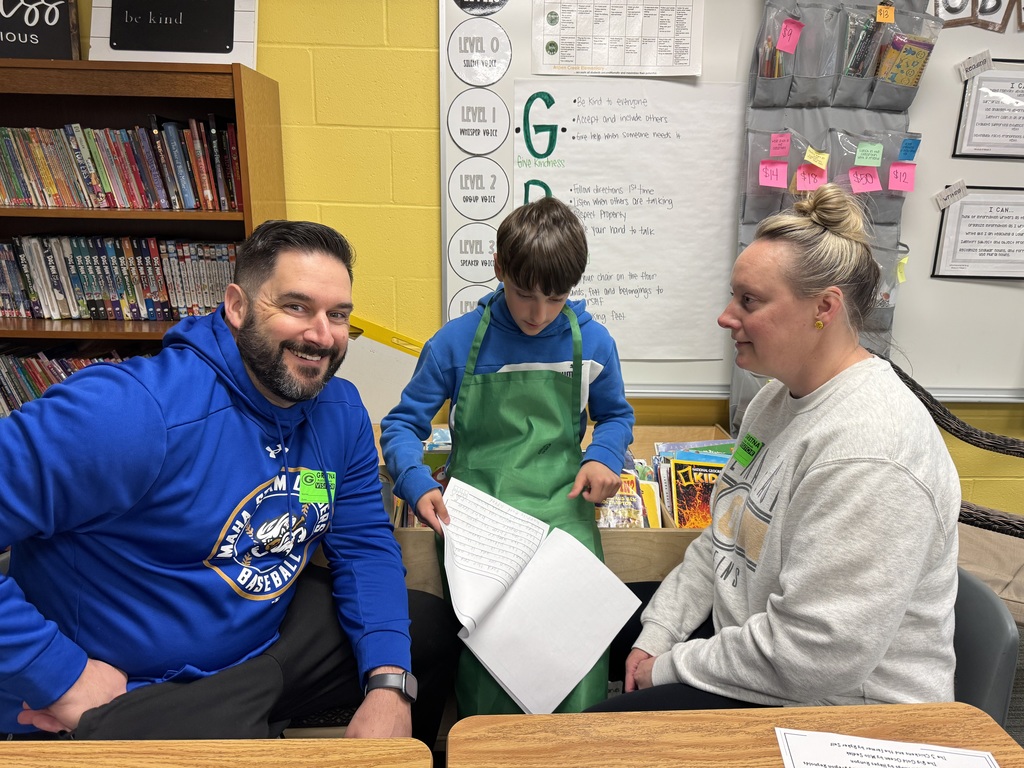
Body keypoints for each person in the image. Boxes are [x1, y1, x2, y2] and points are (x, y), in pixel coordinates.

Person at [0, 220, 458, 742]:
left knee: (427, 631)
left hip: (258, 647)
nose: (322, 335)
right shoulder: (132, 413)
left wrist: (389, 687)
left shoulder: (340, 409)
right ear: (237, 306)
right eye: (296, 307)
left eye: (338, 315)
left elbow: (364, 547)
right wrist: (62, 676)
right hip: (136, 684)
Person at [589, 183, 960, 713]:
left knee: (595, 737)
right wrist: (660, 630)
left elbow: (811, 655)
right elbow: (722, 538)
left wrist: (667, 667)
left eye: (749, 301)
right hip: (755, 652)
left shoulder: (872, 449)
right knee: (576, 624)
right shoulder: (773, 403)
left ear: (824, 308)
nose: (725, 316)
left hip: (833, 712)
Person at [380, 195, 635, 715]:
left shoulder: (594, 342)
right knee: (492, 657)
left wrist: (605, 455)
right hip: (480, 519)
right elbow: (402, 425)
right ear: (499, 270)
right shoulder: (454, 343)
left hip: (564, 514)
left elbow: (617, 417)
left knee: (572, 652)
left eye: (556, 297)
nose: (539, 314)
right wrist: (415, 479)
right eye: (524, 295)